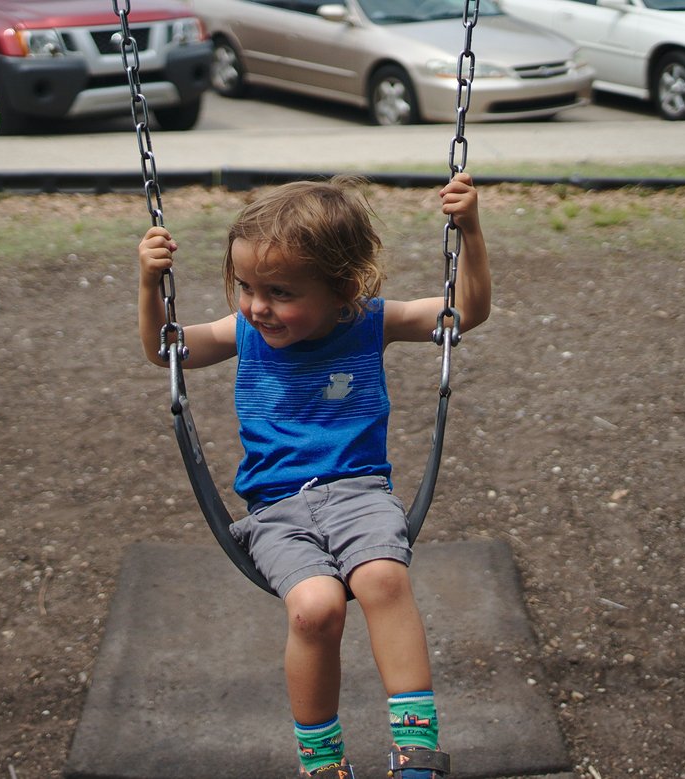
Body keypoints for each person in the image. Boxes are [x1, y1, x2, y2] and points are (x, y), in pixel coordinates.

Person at [137, 173, 491, 779]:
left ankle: (415, 750)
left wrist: (471, 231)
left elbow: (467, 311)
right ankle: (322, 761)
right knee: (315, 609)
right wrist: (150, 282)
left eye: (278, 292)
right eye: (245, 286)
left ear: (342, 289)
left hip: (359, 493)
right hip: (276, 510)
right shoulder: (243, 332)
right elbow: (167, 348)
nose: (256, 306)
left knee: (382, 578)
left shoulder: (369, 322)